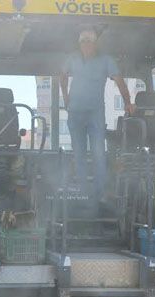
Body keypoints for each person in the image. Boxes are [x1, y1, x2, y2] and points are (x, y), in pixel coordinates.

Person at [57, 28, 132, 194]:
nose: (86, 45)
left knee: (98, 151)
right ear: (79, 44)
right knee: (79, 152)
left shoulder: (106, 61)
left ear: (95, 44)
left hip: (95, 113)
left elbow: (119, 81)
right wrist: (66, 97)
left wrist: (128, 102)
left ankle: (100, 191)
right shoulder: (72, 59)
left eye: (89, 42)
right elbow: (62, 75)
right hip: (75, 112)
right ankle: (83, 191)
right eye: (83, 42)